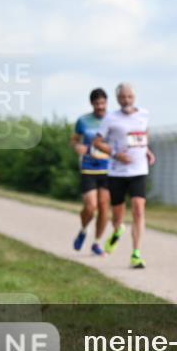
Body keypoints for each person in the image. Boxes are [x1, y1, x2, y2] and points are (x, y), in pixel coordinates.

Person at [91, 83, 154, 269]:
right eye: (123, 98)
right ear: (117, 99)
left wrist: (147, 150)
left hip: (139, 170)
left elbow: (143, 134)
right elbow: (97, 142)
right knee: (118, 215)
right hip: (117, 172)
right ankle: (118, 230)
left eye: (130, 97)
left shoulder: (144, 114)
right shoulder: (111, 118)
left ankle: (136, 253)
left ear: (134, 97)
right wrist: (115, 154)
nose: (127, 101)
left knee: (138, 209)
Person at [71, 89, 111, 257]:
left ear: (107, 102)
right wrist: (77, 146)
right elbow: (74, 140)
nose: (100, 106)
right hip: (88, 168)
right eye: (97, 103)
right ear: (92, 104)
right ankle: (83, 229)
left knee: (103, 207)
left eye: (103, 103)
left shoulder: (113, 120)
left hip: (108, 169)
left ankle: (96, 243)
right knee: (90, 206)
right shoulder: (83, 121)